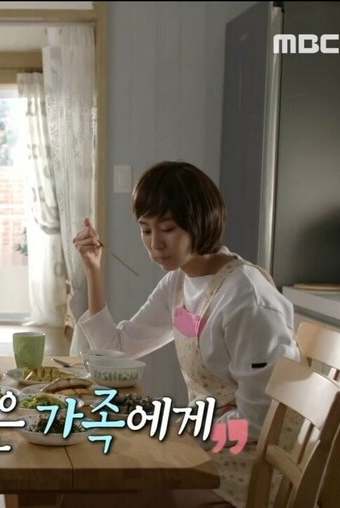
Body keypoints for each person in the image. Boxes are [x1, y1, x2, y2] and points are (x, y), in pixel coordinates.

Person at [69, 160, 300, 507]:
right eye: (146, 230)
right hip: (206, 443)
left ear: (200, 222)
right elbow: (116, 348)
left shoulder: (247, 300)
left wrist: (183, 431)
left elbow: (259, 421)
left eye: (168, 229)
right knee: (89, 470)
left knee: (88, 492)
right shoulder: (179, 282)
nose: (155, 244)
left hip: (248, 467)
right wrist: (93, 270)